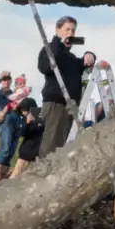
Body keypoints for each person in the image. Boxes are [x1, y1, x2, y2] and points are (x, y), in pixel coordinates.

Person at [38, 16, 96, 158]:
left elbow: (83, 64)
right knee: (51, 145)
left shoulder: (71, 58)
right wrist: (58, 43)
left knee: (66, 145)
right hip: (56, 103)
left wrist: (90, 56)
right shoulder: (48, 49)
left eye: (73, 31)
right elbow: (45, 67)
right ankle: (44, 175)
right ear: (58, 30)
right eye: (67, 29)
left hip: (71, 106)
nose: (70, 33)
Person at [0, 71, 23, 183]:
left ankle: (4, 173)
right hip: (6, 122)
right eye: (4, 79)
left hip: (17, 122)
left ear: (11, 81)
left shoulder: (15, 94)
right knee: (5, 147)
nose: (6, 81)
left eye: (8, 79)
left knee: (12, 149)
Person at [9, 98, 45, 179]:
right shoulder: (24, 120)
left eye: (24, 109)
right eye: (21, 110)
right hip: (26, 153)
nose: (23, 112)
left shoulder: (42, 116)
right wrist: (27, 123)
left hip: (38, 152)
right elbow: (22, 133)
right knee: (15, 177)